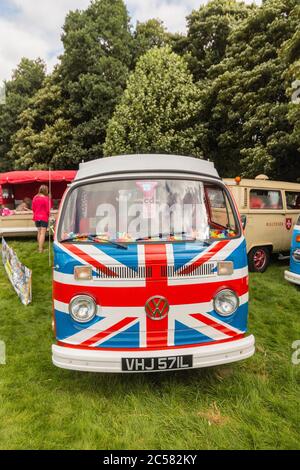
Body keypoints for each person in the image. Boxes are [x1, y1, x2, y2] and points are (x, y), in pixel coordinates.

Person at [32, 185, 53, 253]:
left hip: (36, 217)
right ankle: (41, 249)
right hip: (43, 217)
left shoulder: (35, 197)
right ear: (46, 190)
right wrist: (50, 215)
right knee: (42, 233)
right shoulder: (46, 198)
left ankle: (39, 247)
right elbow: (48, 209)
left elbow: (33, 208)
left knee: (39, 232)